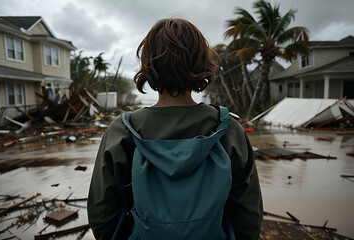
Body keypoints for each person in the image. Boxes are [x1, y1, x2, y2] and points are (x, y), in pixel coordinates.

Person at [87, 17, 263, 240]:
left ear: (148, 65)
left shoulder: (122, 130)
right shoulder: (228, 129)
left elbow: (102, 212)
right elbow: (248, 212)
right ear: (202, 64)